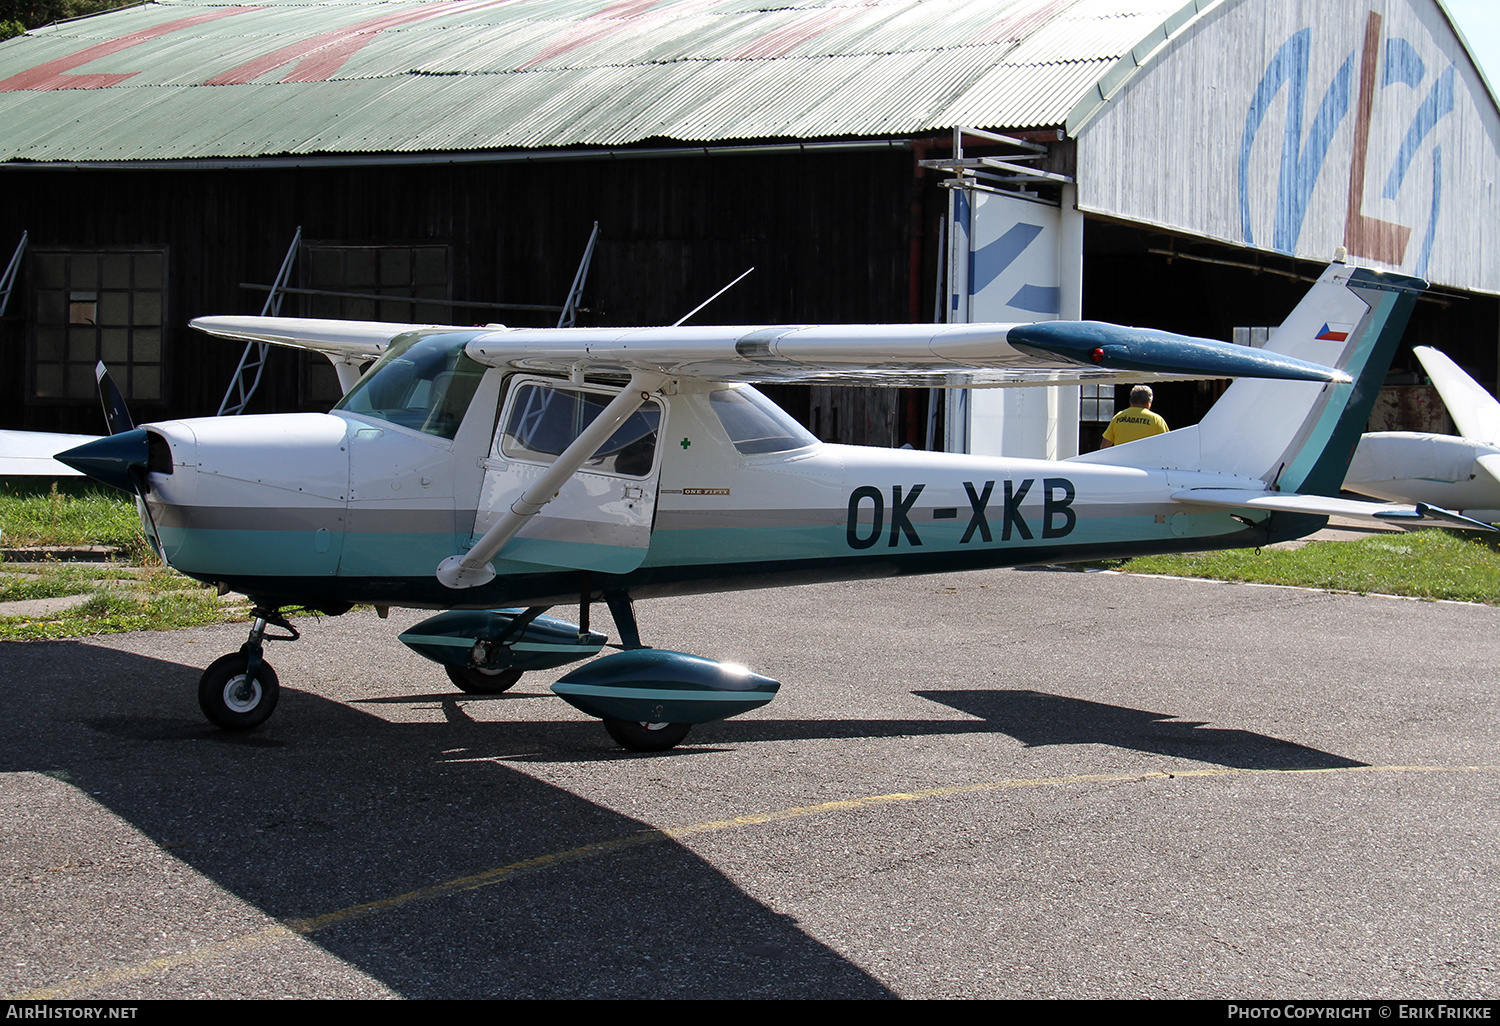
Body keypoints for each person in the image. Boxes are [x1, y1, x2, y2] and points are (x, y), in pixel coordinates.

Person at [1100, 385, 1169, 447]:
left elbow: (1104, 445)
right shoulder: (1156, 420)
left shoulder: (1119, 417)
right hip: (1146, 460)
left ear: (1131, 402)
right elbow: (1167, 444)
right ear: (1148, 402)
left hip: (1122, 460)